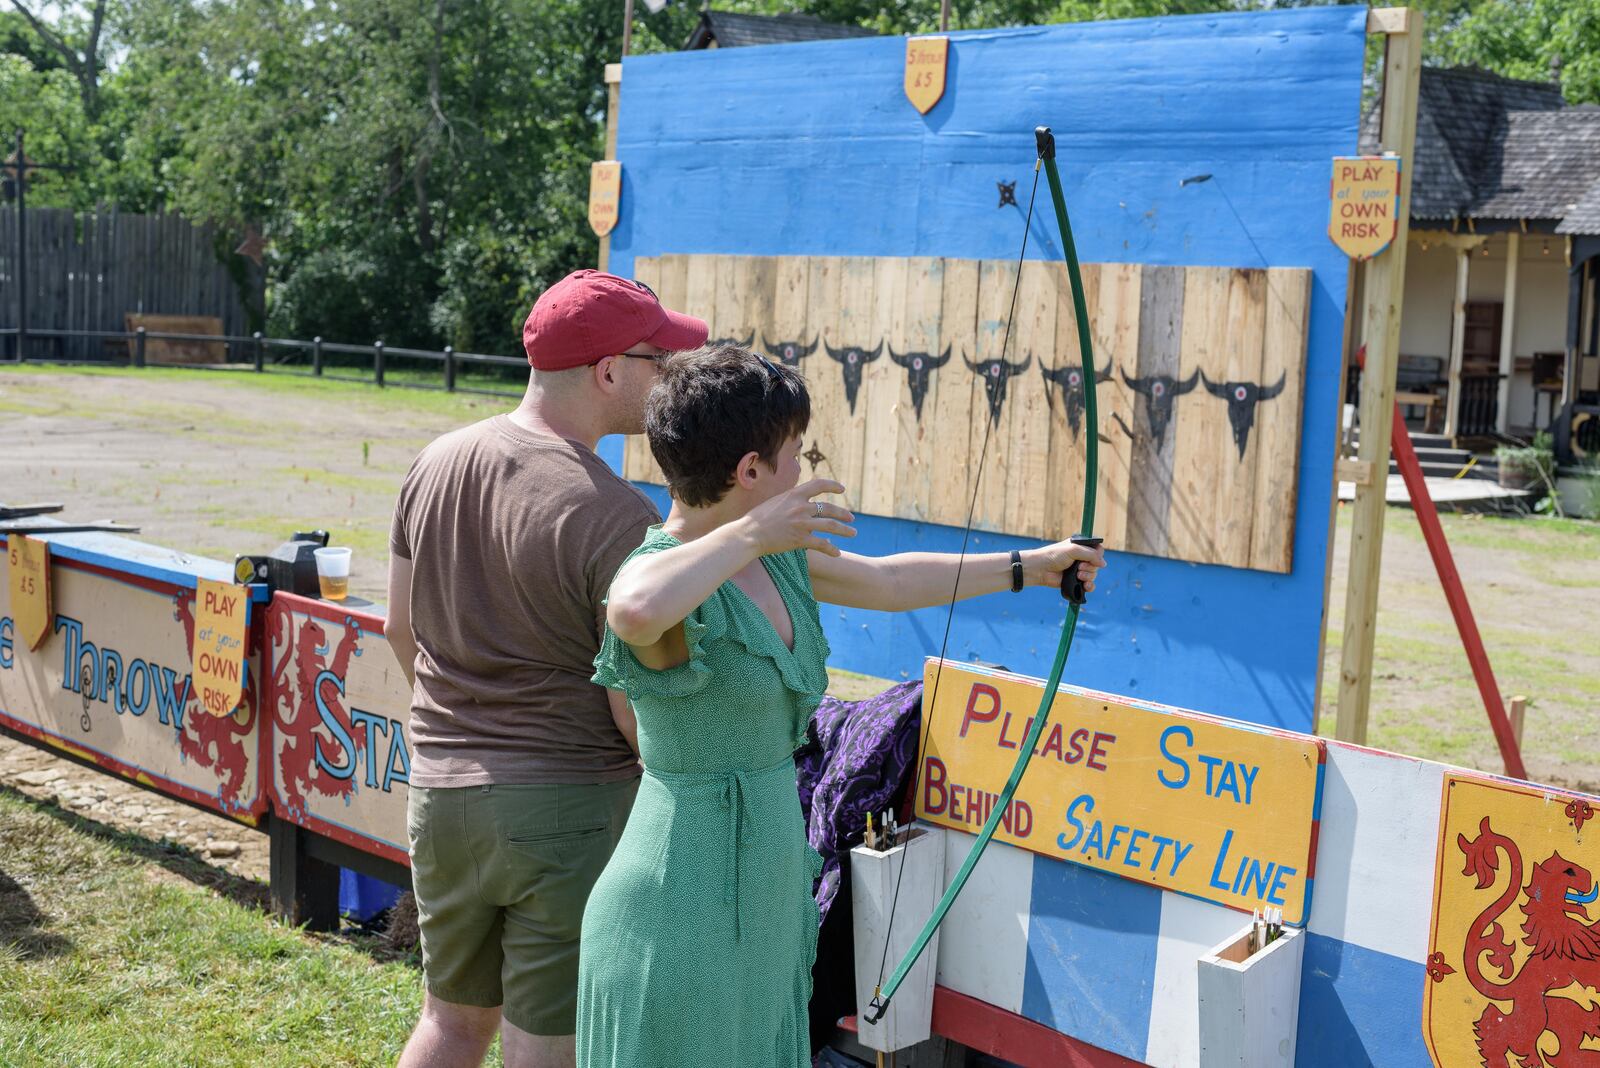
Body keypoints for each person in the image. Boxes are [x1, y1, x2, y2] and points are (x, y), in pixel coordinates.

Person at [577, 345, 1105, 1067]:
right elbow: (632, 611)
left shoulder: (778, 557)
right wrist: (750, 533)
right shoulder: (663, 569)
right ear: (751, 472)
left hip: (765, 884)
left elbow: (886, 582)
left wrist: (1030, 567)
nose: (804, 471)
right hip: (677, 899)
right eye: (795, 454)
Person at [386, 270, 707, 1068]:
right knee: (550, 1050)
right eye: (657, 356)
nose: (668, 373)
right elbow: (638, 706)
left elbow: (399, 628)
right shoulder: (614, 511)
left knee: (450, 1025)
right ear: (606, 371)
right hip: (565, 809)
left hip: (439, 792)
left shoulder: (435, 460)